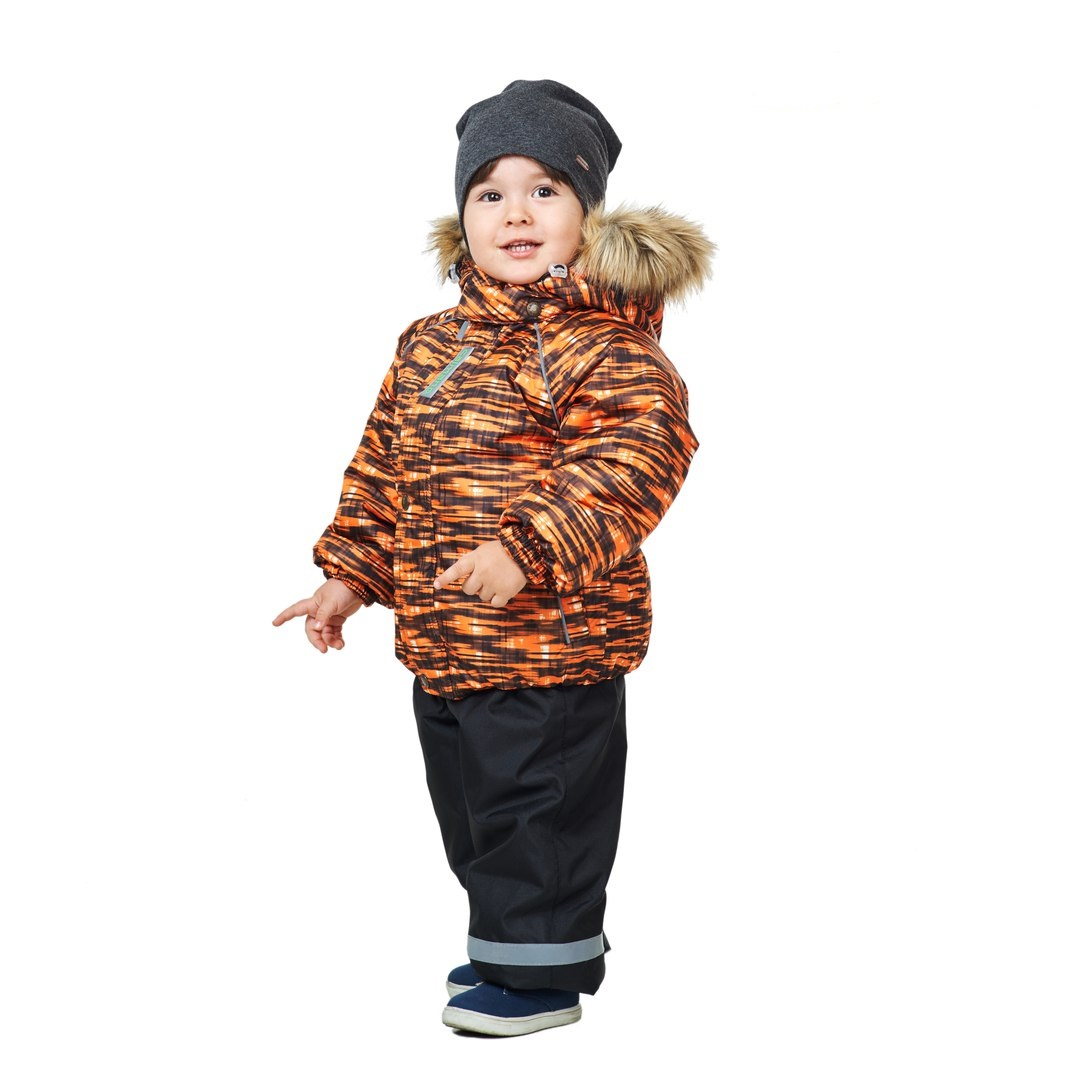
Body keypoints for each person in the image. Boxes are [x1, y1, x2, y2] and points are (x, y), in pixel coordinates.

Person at [272, 79, 714, 1037]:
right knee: (474, 814)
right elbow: (384, 467)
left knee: (537, 813)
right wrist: (351, 573)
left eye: (545, 190)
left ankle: (539, 978)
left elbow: (635, 458)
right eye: (490, 193)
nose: (516, 212)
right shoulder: (430, 345)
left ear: (589, 214)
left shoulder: (603, 346)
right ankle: (524, 945)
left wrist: (527, 546)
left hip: (553, 647)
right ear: (462, 217)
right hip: (446, 644)